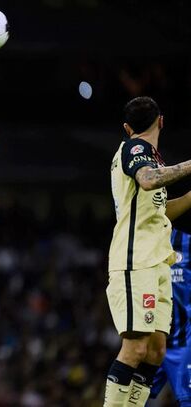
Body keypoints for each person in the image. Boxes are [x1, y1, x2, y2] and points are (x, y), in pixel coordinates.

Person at [103, 96, 191, 406]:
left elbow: (160, 212)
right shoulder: (135, 149)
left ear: (127, 126)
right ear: (161, 122)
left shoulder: (152, 159)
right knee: (135, 349)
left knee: (155, 351)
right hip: (135, 260)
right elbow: (148, 180)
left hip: (156, 261)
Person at [148, 227, 191, 406]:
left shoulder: (187, 242)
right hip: (149, 341)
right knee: (128, 398)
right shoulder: (140, 243)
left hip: (184, 342)